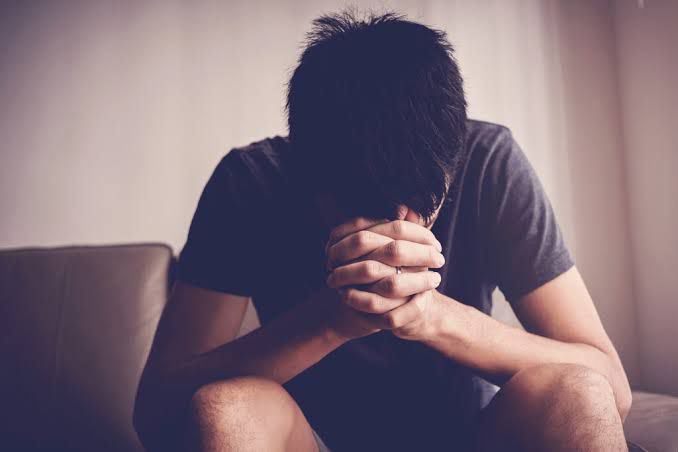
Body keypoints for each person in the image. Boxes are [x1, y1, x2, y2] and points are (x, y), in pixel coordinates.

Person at [133, 10, 636, 452]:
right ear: (305, 171)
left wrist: (431, 316)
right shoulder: (251, 182)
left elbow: (612, 385)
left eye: (420, 203)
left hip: (474, 437)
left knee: (581, 394)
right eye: (358, 207)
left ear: (451, 165)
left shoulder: (489, 162)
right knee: (228, 410)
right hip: (308, 440)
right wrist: (331, 321)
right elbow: (157, 414)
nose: (397, 228)